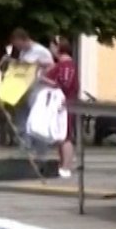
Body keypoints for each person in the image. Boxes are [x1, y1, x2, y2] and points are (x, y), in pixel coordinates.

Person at [36, 35, 78, 178]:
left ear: (58, 47)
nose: (50, 50)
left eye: (52, 46)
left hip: (64, 103)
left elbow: (63, 84)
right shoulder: (61, 65)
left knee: (65, 136)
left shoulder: (66, 66)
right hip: (59, 103)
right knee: (61, 135)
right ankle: (63, 164)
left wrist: (43, 79)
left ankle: (66, 166)